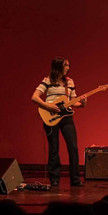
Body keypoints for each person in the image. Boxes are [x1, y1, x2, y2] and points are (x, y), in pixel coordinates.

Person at [30, 58, 85, 190]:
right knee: (54, 148)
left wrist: (83, 102)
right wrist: (48, 106)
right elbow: (35, 97)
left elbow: (74, 102)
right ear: (58, 66)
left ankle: (75, 179)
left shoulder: (69, 82)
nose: (68, 67)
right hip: (51, 116)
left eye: (68, 65)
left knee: (73, 147)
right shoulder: (48, 80)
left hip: (66, 117)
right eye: (65, 65)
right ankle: (54, 179)